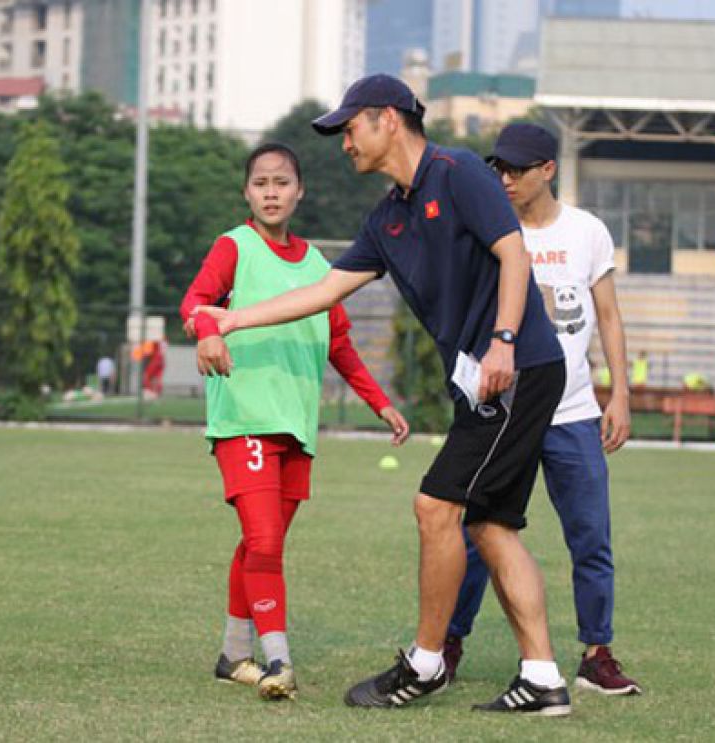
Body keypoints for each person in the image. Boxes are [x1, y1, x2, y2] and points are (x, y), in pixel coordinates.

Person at [195, 75, 571, 716]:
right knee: (490, 524)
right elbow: (321, 292)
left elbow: (515, 256)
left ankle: (425, 664)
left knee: (435, 506)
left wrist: (505, 339)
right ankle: (542, 678)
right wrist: (234, 318)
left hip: (516, 369)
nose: (344, 142)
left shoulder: (459, 174)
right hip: (484, 380)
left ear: (389, 120)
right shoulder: (387, 217)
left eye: (350, 128)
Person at [180, 142, 410, 702]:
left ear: (299, 190)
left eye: (282, 182)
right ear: (246, 193)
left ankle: (233, 654)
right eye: (261, 183)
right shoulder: (233, 247)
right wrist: (207, 333)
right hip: (244, 419)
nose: (271, 192)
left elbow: (340, 346)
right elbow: (195, 304)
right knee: (263, 541)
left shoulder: (317, 268)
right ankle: (278, 658)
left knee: (261, 542)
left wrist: (380, 402)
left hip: (296, 429)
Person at [441, 123, 642, 697]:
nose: (504, 179)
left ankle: (597, 653)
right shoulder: (488, 230)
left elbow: (608, 317)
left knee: (591, 540)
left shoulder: (587, 232)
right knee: (480, 532)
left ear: (548, 170)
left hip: (574, 412)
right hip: (503, 417)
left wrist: (619, 394)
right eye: (497, 169)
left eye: (517, 170)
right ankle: (450, 642)